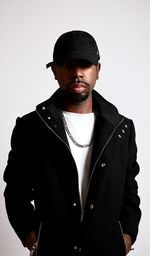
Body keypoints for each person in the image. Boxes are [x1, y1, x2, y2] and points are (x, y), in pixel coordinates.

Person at [3, 30, 141, 256]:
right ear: (55, 71)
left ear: (97, 70)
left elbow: (129, 191)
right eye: (68, 65)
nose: (77, 73)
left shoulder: (122, 129)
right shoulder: (31, 128)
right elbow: (16, 191)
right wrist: (32, 237)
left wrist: (126, 236)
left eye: (85, 65)